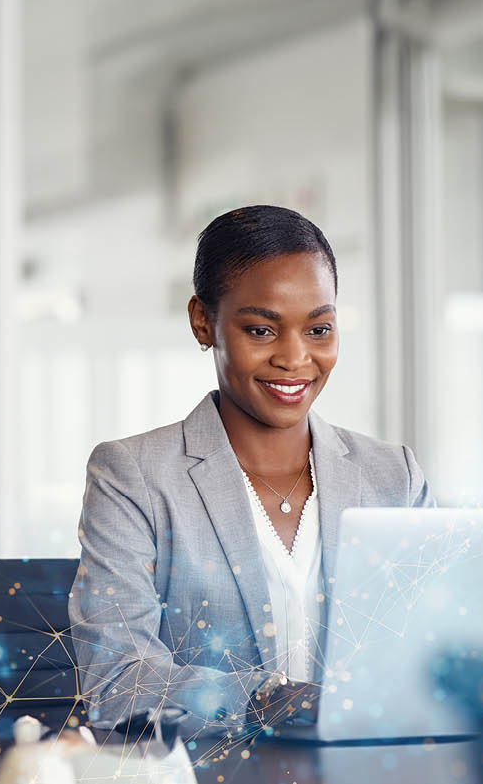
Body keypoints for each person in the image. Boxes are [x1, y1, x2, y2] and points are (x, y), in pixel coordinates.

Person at [69, 205, 434, 741]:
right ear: (202, 321)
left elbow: (436, 654)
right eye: (261, 329)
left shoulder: (393, 477)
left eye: (319, 328)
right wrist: (271, 699)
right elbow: (119, 679)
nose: (295, 357)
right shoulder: (133, 476)